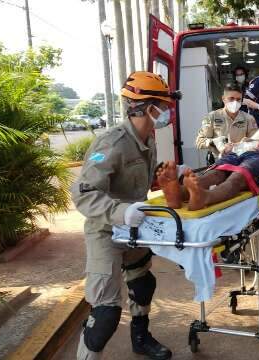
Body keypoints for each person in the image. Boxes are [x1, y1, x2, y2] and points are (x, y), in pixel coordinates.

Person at [72, 71, 178, 360]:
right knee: (105, 314)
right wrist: (121, 212)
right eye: (163, 104)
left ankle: (140, 338)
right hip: (106, 231)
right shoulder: (112, 143)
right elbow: (83, 193)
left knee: (144, 284)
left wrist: (168, 179)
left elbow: (139, 184)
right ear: (145, 107)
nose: (167, 110)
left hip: (135, 229)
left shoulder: (148, 141)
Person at [158, 136, 259, 211]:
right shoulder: (257, 138)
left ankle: (205, 197)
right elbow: (244, 141)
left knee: (237, 178)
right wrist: (240, 143)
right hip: (239, 152)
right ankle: (180, 193)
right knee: (215, 174)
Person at [195, 83, 258, 160]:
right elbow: (199, 142)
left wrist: (243, 144)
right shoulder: (212, 117)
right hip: (218, 162)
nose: (235, 102)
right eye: (231, 98)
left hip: (242, 161)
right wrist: (214, 142)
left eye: (238, 99)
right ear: (223, 99)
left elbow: (255, 141)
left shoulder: (249, 118)